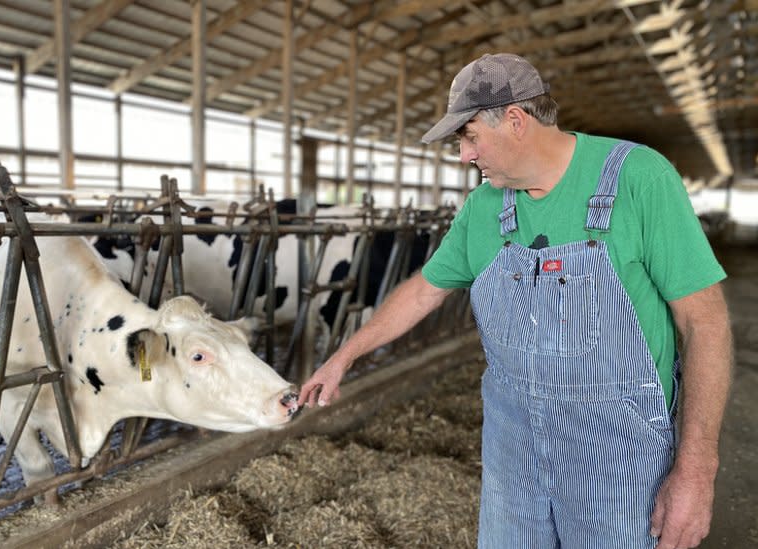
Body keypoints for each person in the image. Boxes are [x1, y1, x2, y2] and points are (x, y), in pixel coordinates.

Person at [298, 53, 732, 549]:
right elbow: (424, 290)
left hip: (616, 452)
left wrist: (697, 471)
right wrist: (343, 357)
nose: (464, 156)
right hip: (513, 450)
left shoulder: (639, 179)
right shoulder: (484, 208)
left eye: (469, 137)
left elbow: (706, 325)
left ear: (516, 121)